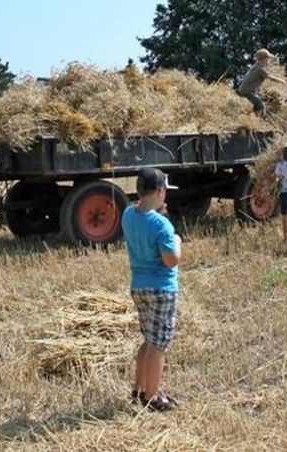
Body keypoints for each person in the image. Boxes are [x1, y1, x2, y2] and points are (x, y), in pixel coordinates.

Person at [122, 167, 182, 412]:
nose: (165, 195)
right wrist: (177, 241)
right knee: (158, 345)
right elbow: (171, 259)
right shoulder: (162, 224)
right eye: (164, 191)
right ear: (158, 191)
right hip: (161, 289)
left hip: (139, 286)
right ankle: (152, 397)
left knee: (148, 340)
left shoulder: (128, 214)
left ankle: (138, 390)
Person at [237, 48, 287, 117]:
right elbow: (269, 77)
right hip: (247, 90)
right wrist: (281, 81)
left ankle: (250, 117)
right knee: (261, 105)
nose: (268, 61)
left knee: (257, 104)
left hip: (248, 90)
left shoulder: (257, 66)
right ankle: (260, 121)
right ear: (263, 59)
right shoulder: (259, 69)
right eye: (268, 59)